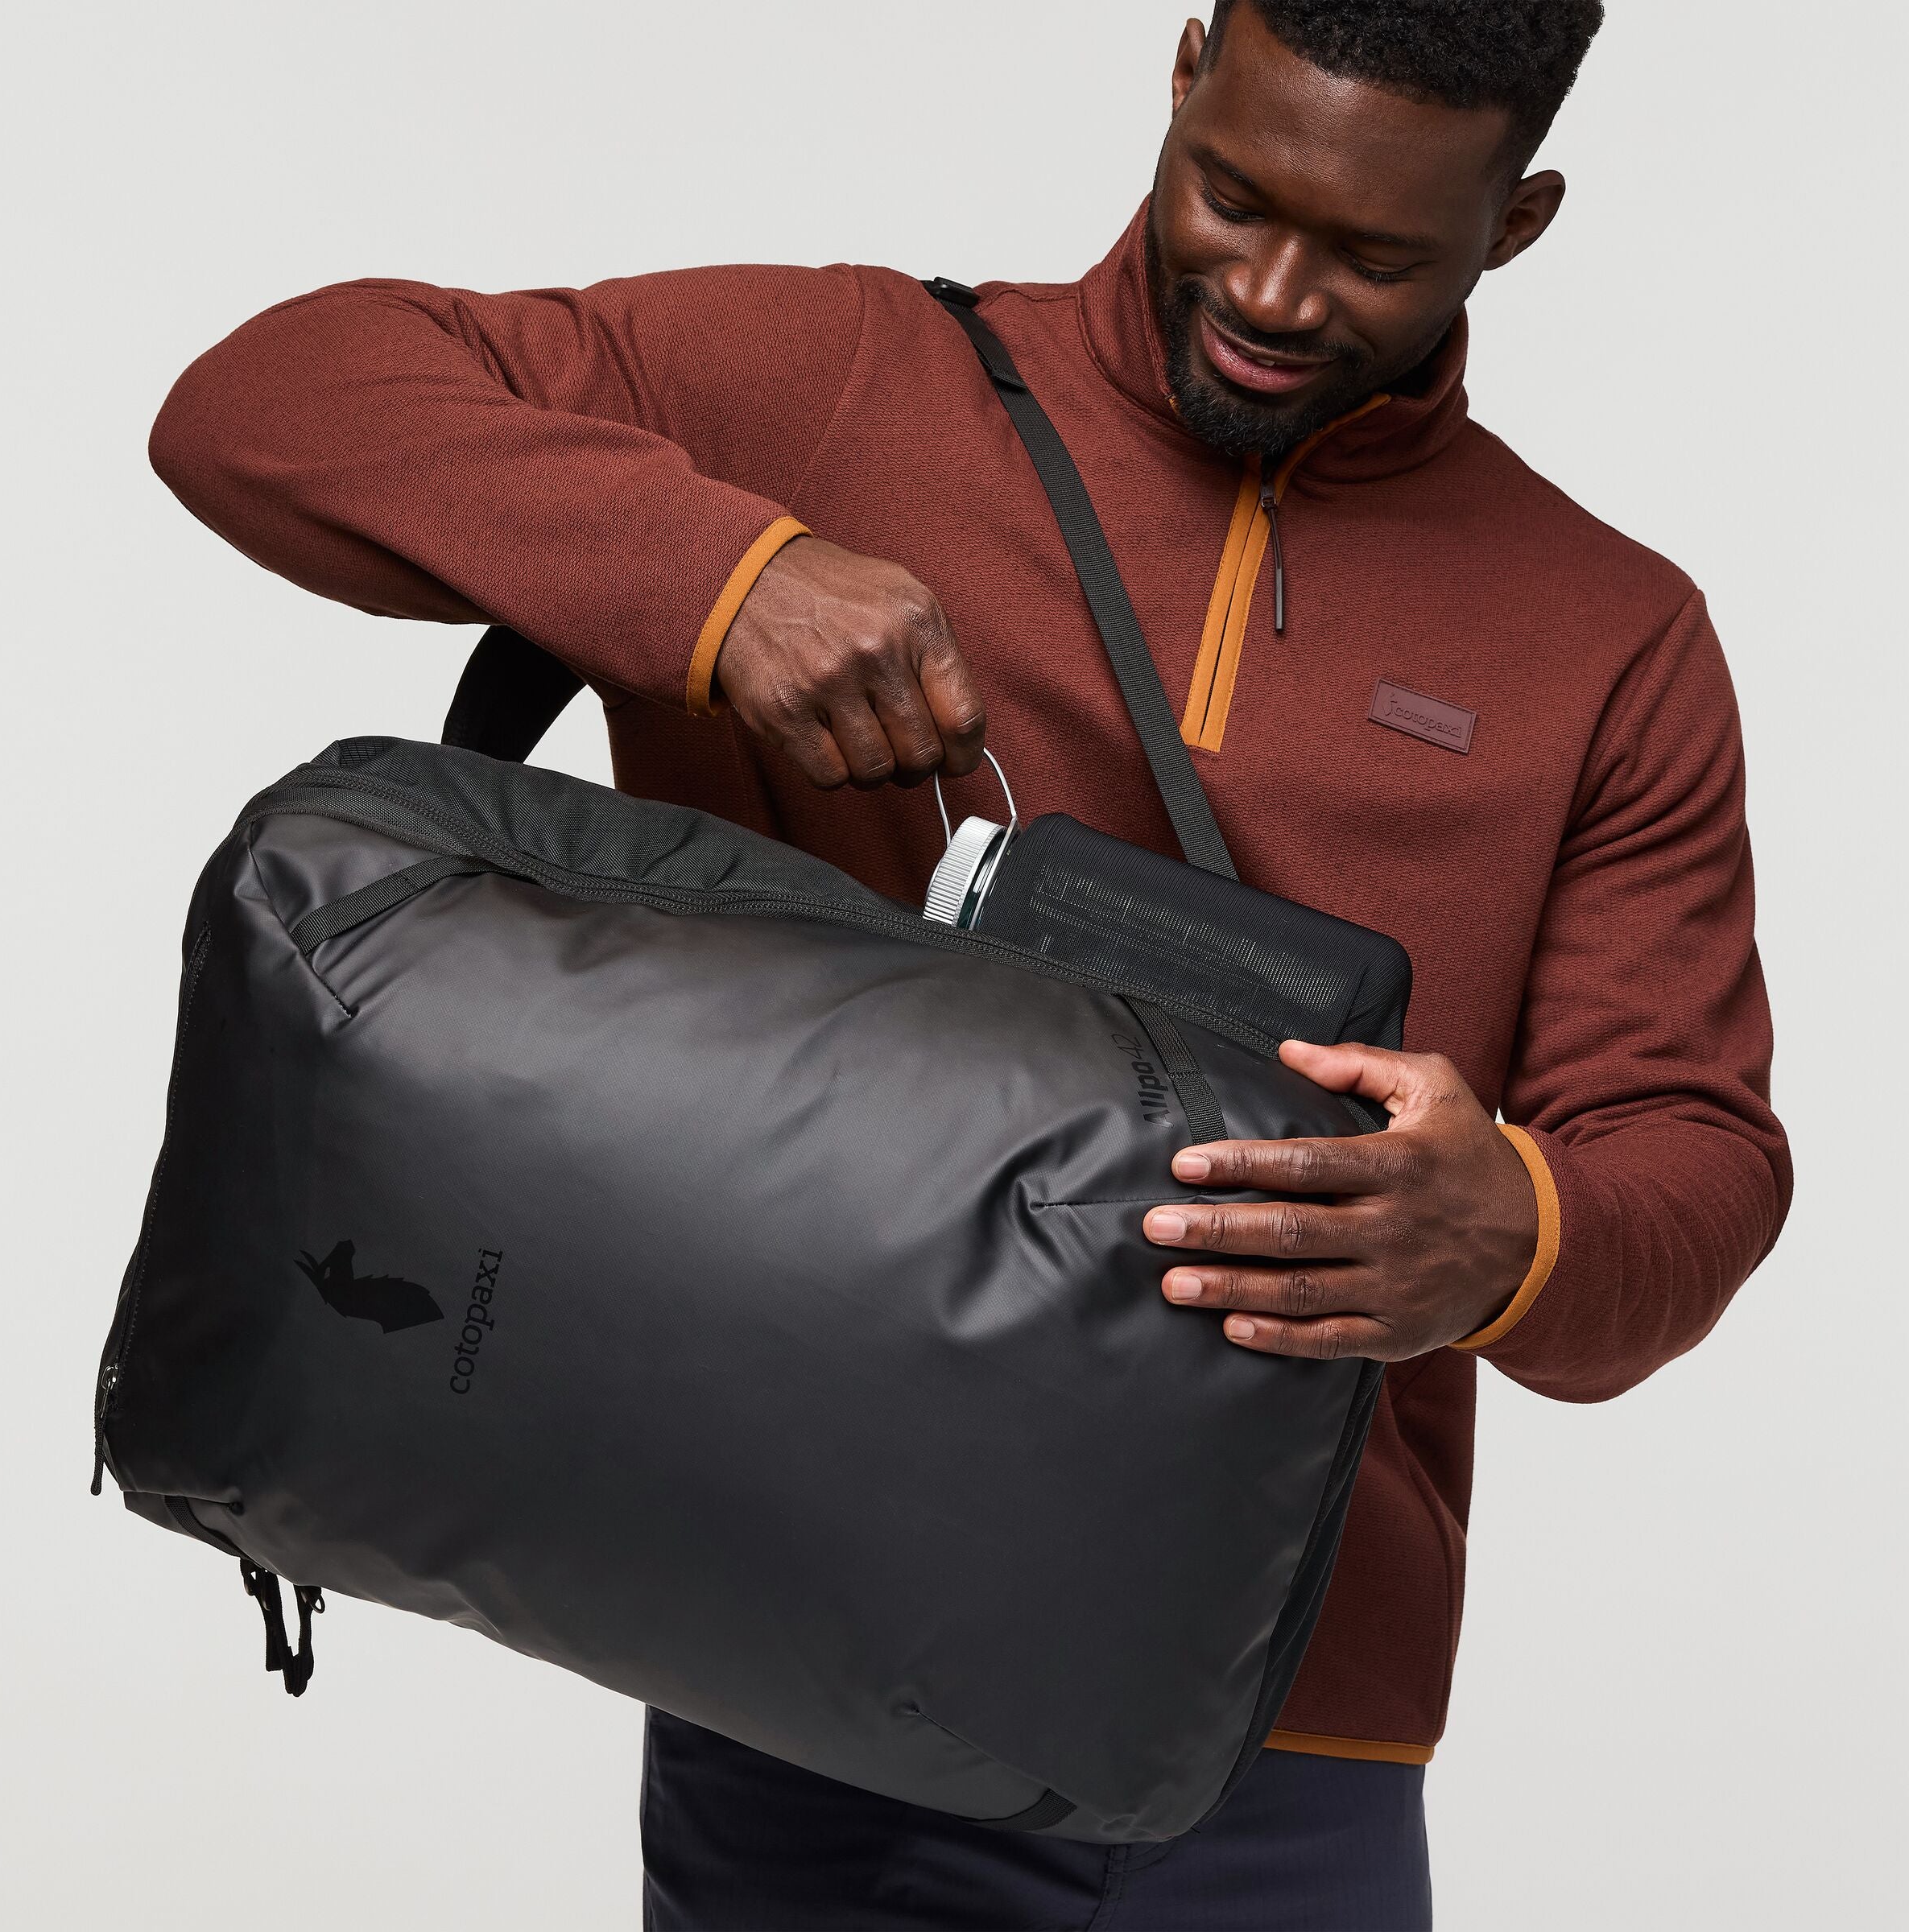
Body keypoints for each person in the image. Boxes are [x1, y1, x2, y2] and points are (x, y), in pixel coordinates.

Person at [147, 2, 1791, 1924]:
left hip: (1280, 1736)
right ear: (1184, 73)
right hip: (802, 1678)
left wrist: (1510, 1226)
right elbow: (262, 402)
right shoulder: (840, 386)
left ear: (1516, 222)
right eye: (1234, 196)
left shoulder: (1613, 639)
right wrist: (718, 581)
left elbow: (1698, 1159)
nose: (1274, 292)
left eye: (1372, 254)